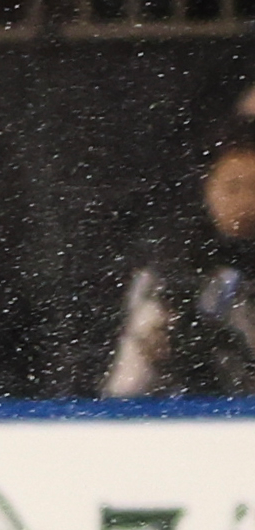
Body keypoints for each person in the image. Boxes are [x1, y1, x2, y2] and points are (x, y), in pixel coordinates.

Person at [106, 129, 255, 397]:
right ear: (208, 189)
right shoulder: (172, 263)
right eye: (233, 187)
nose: (247, 201)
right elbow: (126, 384)